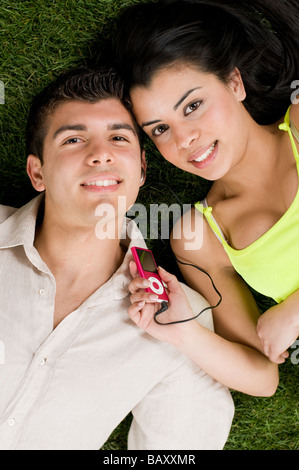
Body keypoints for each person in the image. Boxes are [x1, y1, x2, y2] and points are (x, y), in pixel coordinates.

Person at [0, 66, 235, 450]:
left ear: (142, 168)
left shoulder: (176, 315)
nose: (101, 155)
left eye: (119, 138)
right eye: (74, 139)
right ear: (36, 172)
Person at [114, 0, 299, 367]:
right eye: (161, 129)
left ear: (234, 83)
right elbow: (262, 374)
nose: (184, 139)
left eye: (192, 106)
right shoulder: (199, 235)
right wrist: (179, 329)